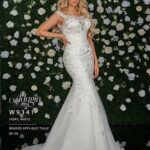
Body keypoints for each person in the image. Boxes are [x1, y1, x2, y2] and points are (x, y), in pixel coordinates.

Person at [22, 0, 123, 150]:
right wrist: (61, 37)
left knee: (85, 93)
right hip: (73, 56)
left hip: (87, 56)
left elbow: (89, 38)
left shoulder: (83, 13)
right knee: (86, 91)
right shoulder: (60, 14)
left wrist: (96, 61)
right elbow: (40, 30)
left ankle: (90, 140)